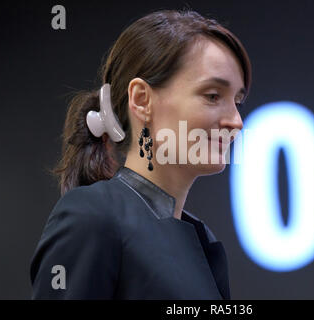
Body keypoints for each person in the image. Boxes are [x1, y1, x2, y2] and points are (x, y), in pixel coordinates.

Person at [29, 8, 251, 299]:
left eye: (237, 101)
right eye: (212, 96)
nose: (236, 121)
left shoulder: (202, 239)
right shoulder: (91, 217)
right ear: (142, 100)